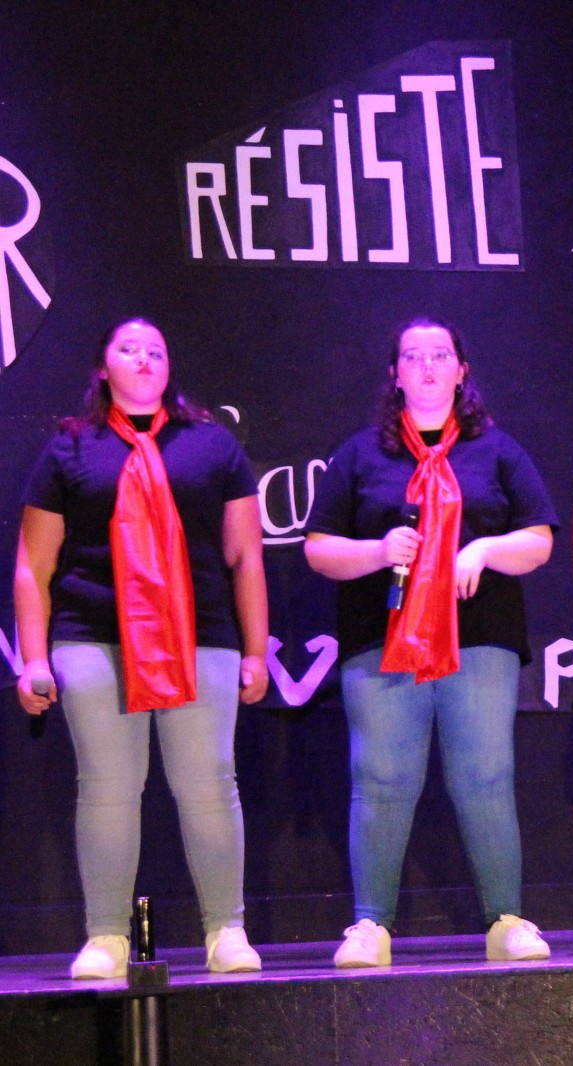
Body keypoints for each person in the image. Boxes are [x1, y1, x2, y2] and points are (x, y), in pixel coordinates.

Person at [14, 317, 267, 978]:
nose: (145, 358)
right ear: (104, 366)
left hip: (199, 634)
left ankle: (226, 931)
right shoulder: (71, 448)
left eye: (156, 349)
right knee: (108, 786)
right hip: (93, 634)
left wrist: (255, 650)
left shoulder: (211, 445)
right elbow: (33, 567)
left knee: (208, 782)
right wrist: (33, 658)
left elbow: (245, 556)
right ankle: (106, 937)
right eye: (129, 349)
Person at [305, 317, 560, 966]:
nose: (426, 366)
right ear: (394, 373)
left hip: (479, 637)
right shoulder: (361, 454)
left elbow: (540, 540)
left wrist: (485, 548)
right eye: (413, 357)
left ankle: (506, 919)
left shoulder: (496, 451)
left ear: (461, 371)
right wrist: (376, 550)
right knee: (381, 778)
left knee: (486, 776)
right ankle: (370, 925)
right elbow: (319, 548)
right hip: (383, 638)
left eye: (440, 355)